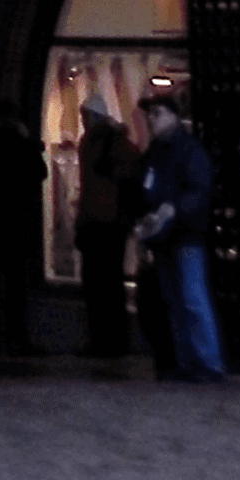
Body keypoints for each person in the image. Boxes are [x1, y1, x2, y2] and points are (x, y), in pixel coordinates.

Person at [135, 92, 225, 383]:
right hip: (164, 237)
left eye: (157, 113)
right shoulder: (156, 151)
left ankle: (208, 363)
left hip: (185, 236)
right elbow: (145, 187)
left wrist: (172, 209)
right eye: (150, 114)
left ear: (173, 115)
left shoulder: (187, 149)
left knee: (191, 299)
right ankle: (188, 362)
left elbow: (199, 191)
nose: (151, 119)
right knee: (176, 301)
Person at [0, 98, 45, 361]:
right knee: (15, 282)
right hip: (14, 219)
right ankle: (17, 339)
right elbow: (39, 171)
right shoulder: (18, 139)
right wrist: (28, 142)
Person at [75, 92, 139, 363]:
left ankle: (104, 341)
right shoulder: (115, 140)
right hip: (111, 222)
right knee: (109, 284)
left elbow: (93, 186)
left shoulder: (94, 141)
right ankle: (113, 341)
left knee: (99, 285)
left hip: (101, 221)